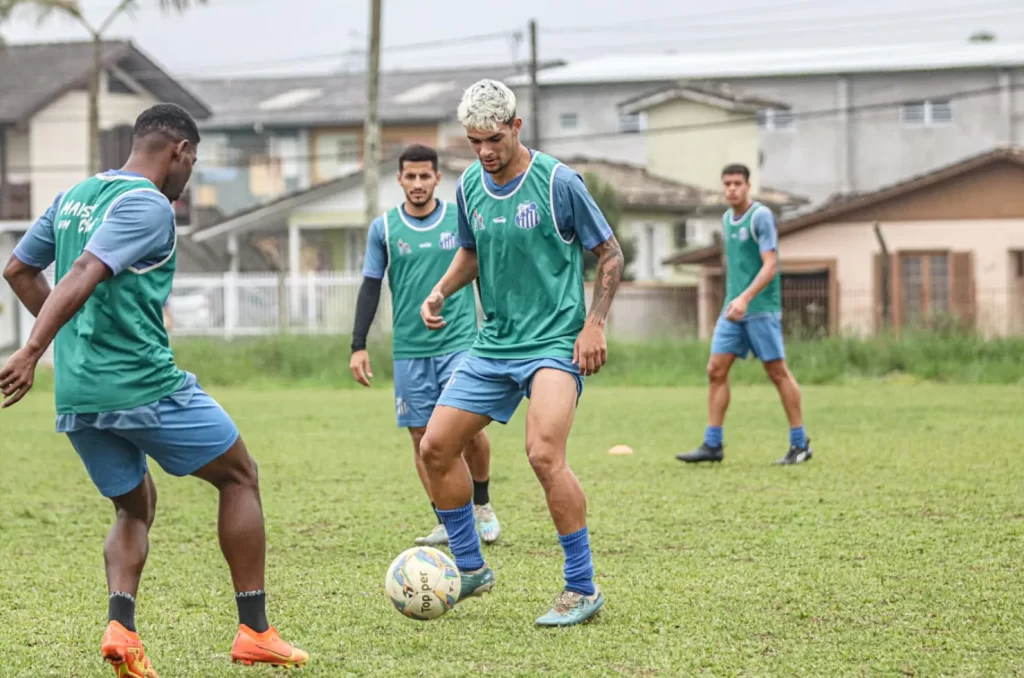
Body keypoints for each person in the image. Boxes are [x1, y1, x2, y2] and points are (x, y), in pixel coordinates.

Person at [0, 103, 307, 677]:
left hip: (80, 393)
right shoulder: (147, 204)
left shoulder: (75, 197)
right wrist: (33, 348)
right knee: (239, 475)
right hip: (141, 384)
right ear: (180, 153)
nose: (189, 173)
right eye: (193, 162)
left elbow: (18, 269)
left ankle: (122, 628)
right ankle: (256, 631)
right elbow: (87, 270)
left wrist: (67, 346)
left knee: (134, 503)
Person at [418, 79, 624, 627]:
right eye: (473, 142)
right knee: (435, 448)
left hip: (555, 343)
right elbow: (472, 252)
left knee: (543, 454)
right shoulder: (468, 189)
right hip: (494, 345)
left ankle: (581, 588)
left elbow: (609, 252)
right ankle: (470, 567)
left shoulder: (558, 182)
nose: (484, 152)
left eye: (493, 139)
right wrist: (441, 290)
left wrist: (594, 324)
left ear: (516, 127)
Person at [349, 143, 501, 548]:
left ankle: (482, 505)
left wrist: (496, 322)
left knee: (465, 431)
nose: (417, 183)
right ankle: (447, 520)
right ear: (399, 179)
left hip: (461, 341)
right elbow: (370, 286)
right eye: (410, 176)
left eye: (425, 176)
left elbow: (483, 271)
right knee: (421, 437)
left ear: (437, 178)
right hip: (411, 350)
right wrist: (358, 344)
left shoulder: (460, 219)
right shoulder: (383, 228)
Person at [676, 163, 813, 466]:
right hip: (733, 310)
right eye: (727, 184)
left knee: (777, 372)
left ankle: (800, 443)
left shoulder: (760, 217)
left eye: (737, 183)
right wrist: (734, 300)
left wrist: (746, 298)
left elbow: (770, 265)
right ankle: (712, 444)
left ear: (748, 186)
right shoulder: (727, 219)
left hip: (760, 309)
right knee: (715, 369)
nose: (732, 189)